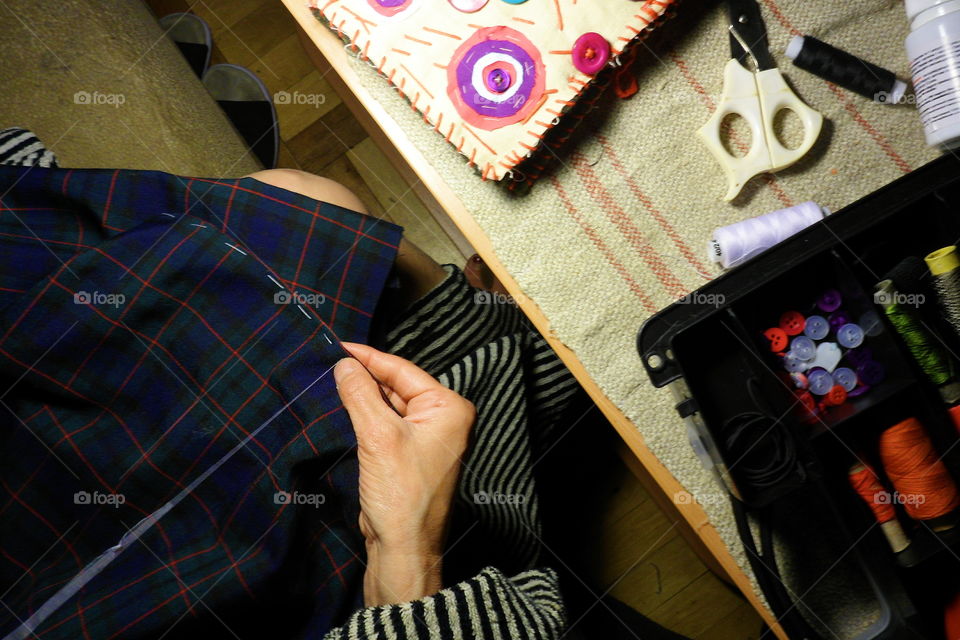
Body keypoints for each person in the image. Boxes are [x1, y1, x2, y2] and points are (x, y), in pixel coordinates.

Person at [0, 128, 580, 639]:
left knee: (297, 206)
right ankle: (481, 328)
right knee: (314, 201)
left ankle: (469, 321)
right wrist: (406, 560)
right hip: (266, 593)